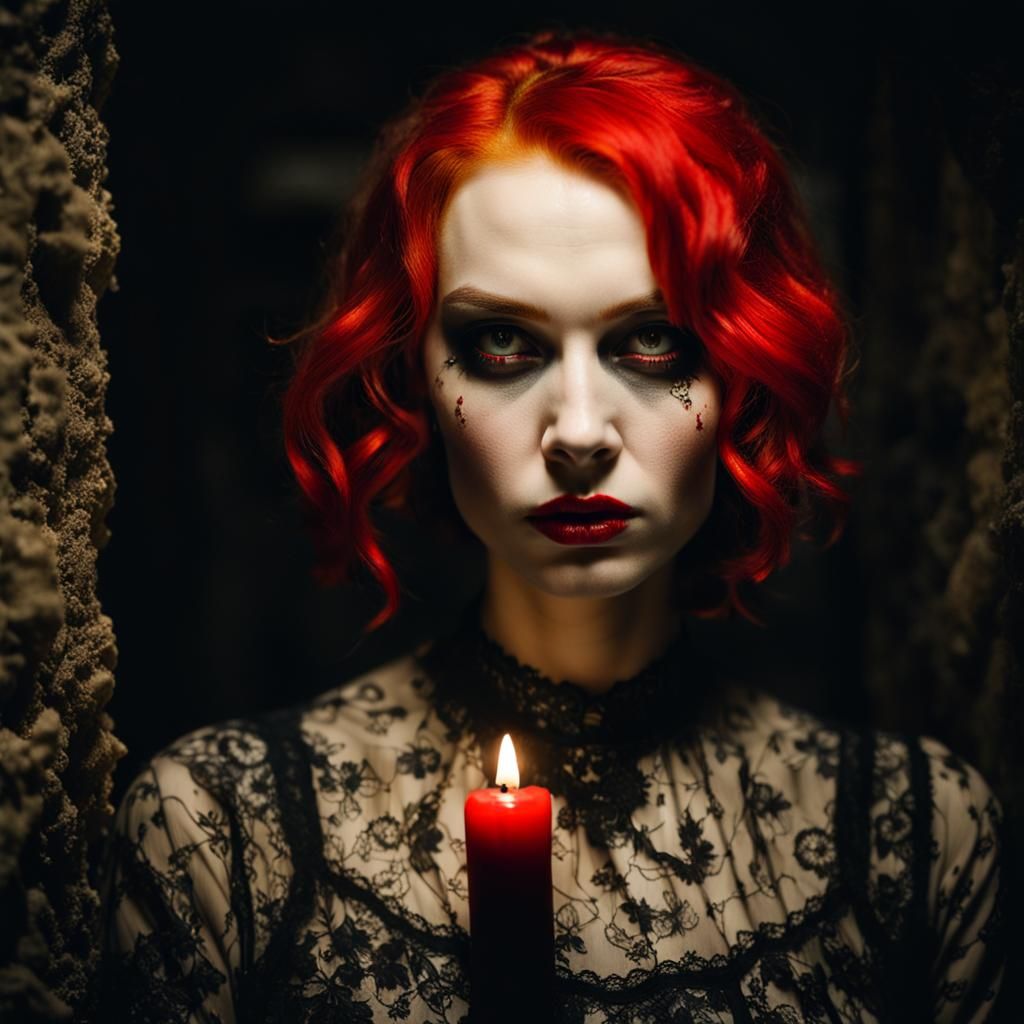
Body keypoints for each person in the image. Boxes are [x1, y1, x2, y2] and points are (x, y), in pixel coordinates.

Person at [97, 27, 1007, 1023]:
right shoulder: (220, 831)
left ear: (741, 371)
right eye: (501, 341)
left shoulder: (920, 841)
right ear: (414, 374)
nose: (577, 432)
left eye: (652, 340)